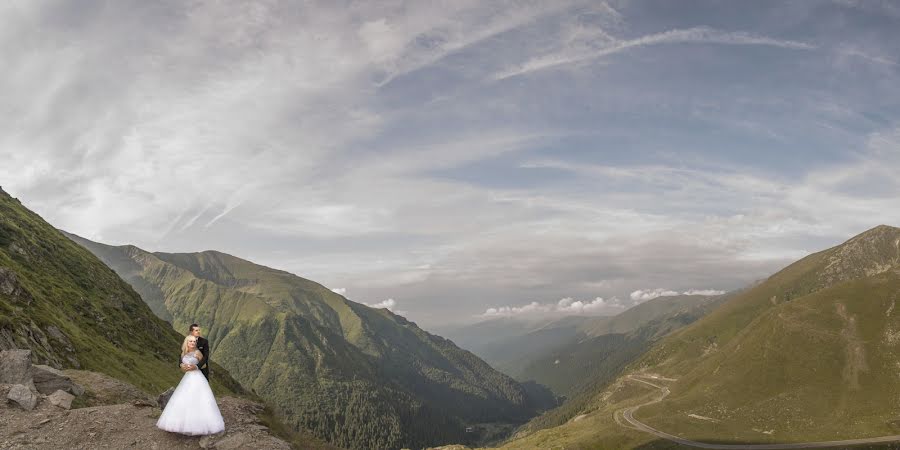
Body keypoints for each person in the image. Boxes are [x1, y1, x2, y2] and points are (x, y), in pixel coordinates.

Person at [156, 335, 225, 435]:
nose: (193, 343)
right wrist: (183, 367)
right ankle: (182, 423)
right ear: (187, 343)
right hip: (187, 377)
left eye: (194, 342)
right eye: (190, 341)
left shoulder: (197, 352)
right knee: (184, 398)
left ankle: (199, 423)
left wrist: (195, 367)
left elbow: (204, 364)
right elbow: (181, 363)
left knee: (198, 398)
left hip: (197, 377)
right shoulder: (184, 353)